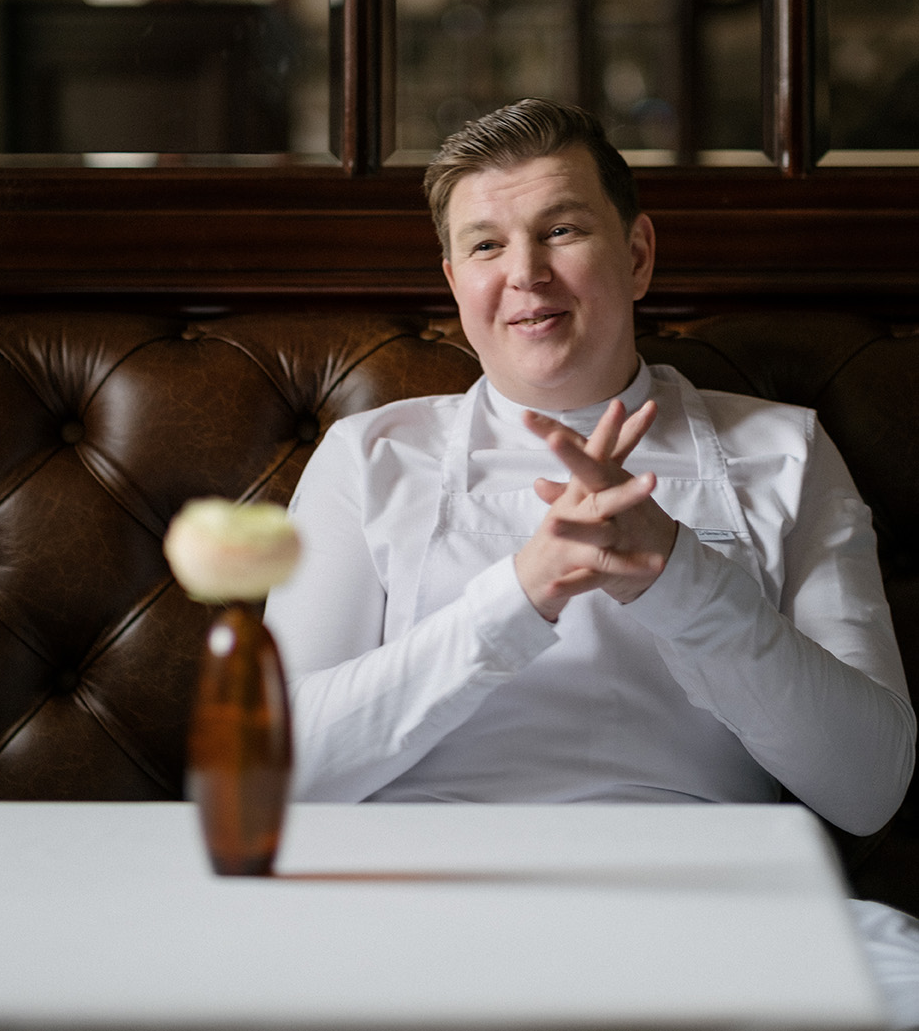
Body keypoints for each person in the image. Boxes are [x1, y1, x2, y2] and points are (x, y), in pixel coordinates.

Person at [265, 97, 919, 1027]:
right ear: (454, 280)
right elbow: (271, 771)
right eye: (486, 246)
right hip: (415, 904)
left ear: (639, 253)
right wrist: (518, 597)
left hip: (716, 906)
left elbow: (868, 785)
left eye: (561, 230)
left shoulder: (786, 451)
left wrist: (679, 577)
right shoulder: (371, 457)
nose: (525, 273)